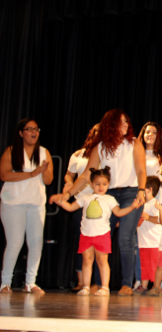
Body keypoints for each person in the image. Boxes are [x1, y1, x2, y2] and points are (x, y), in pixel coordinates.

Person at [50, 109, 147, 296]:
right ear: (111, 125)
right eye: (121, 122)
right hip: (107, 194)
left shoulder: (134, 143)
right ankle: (96, 283)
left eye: (127, 121)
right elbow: (87, 175)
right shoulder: (100, 147)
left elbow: (141, 170)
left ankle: (127, 283)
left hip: (131, 192)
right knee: (98, 236)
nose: (126, 125)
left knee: (125, 238)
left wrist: (141, 190)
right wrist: (67, 195)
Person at [53, 167, 142, 296]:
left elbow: (118, 212)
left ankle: (105, 287)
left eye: (104, 184)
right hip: (86, 235)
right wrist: (61, 201)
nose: (101, 187)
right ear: (91, 184)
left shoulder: (110, 199)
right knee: (87, 260)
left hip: (102, 235)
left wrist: (132, 207)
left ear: (108, 185)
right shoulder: (85, 197)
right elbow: (71, 207)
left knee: (102, 260)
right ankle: (86, 287)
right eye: (97, 184)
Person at [0, 118, 54, 294]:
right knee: (15, 243)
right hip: (13, 203)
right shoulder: (12, 151)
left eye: (36, 129)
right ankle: (5, 283)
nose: (34, 132)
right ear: (21, 133)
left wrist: (43, 172)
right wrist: (31, 173)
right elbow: (4, 175)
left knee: (36, 243)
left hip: (36, 204)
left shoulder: (44, 152)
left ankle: (30, 282)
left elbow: (48, 180)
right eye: (29, 129)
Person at [63, 123, 99, 291]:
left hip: (98, 202)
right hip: (79, 201)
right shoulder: (78, 155)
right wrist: (69, 185)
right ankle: (81, 281)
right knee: (81, 241)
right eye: (96, 132)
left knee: (99, 242)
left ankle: (97, 282)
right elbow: (69, 174)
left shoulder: (107, 154)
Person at [136, 176, 162, 293]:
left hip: (154, 242)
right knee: (145, 266)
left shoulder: (155, 203)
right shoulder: (140, 204)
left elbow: (160, 220)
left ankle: (158, 286)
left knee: (155, 266)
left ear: (149, 190)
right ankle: (144, 286)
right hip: (144, 242)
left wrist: (148, 217)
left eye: (142, 189)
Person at [138, 122, 162, 204]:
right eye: (148, 132)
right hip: (140, 199)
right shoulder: (136, 154)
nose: (150, 134)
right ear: (143, 134)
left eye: (154, 132)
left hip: (159, 200)